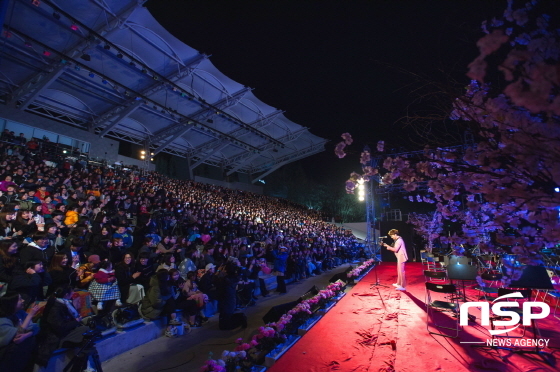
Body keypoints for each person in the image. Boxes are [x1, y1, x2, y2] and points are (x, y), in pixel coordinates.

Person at [0, 294, 40, 372]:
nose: (23, 301)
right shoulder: (2, 320)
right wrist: (30, 316)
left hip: (19, 354)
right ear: (11, 304)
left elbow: (36, 327)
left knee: (31, 339)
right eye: (20, 300)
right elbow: (17, 335)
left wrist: (27, 335)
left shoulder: (20, 313)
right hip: (5, 356)